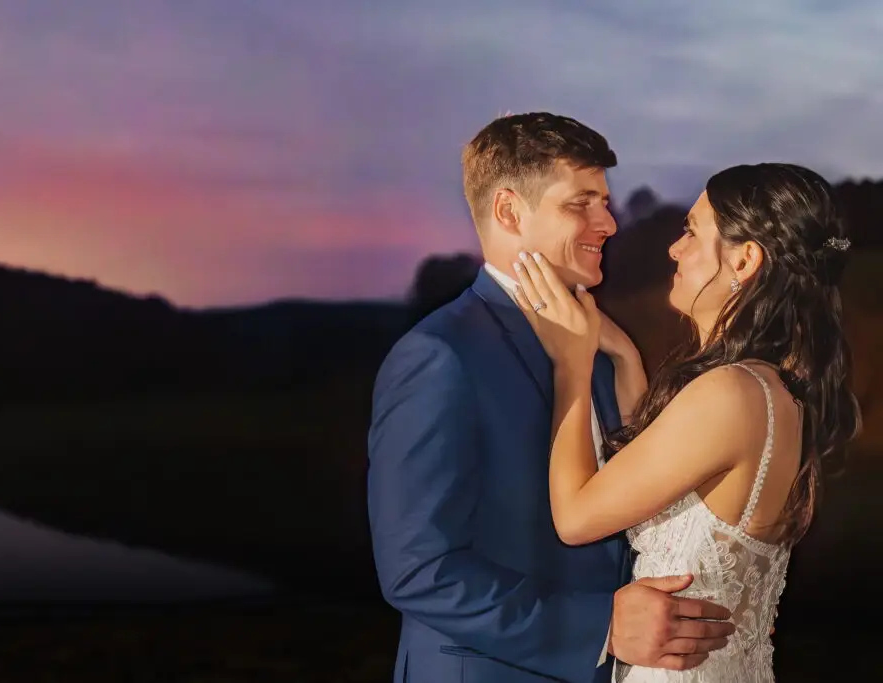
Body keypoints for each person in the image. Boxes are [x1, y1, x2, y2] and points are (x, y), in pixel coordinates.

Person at [367, 112, 734, 683]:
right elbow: (419, 569)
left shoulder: (599, 345)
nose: (608, 223)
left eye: (605, 202)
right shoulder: (440, 356)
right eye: (580, 203)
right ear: (510, 211)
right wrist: (600, 627)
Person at [511, 162, 861, 682]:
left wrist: (572, 364)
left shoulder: (730, 394)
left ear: (744, 260)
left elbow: (576, 516)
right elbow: (654, 466)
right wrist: (625, 358)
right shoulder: (775, 391)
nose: (675, 249)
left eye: (692, 232)